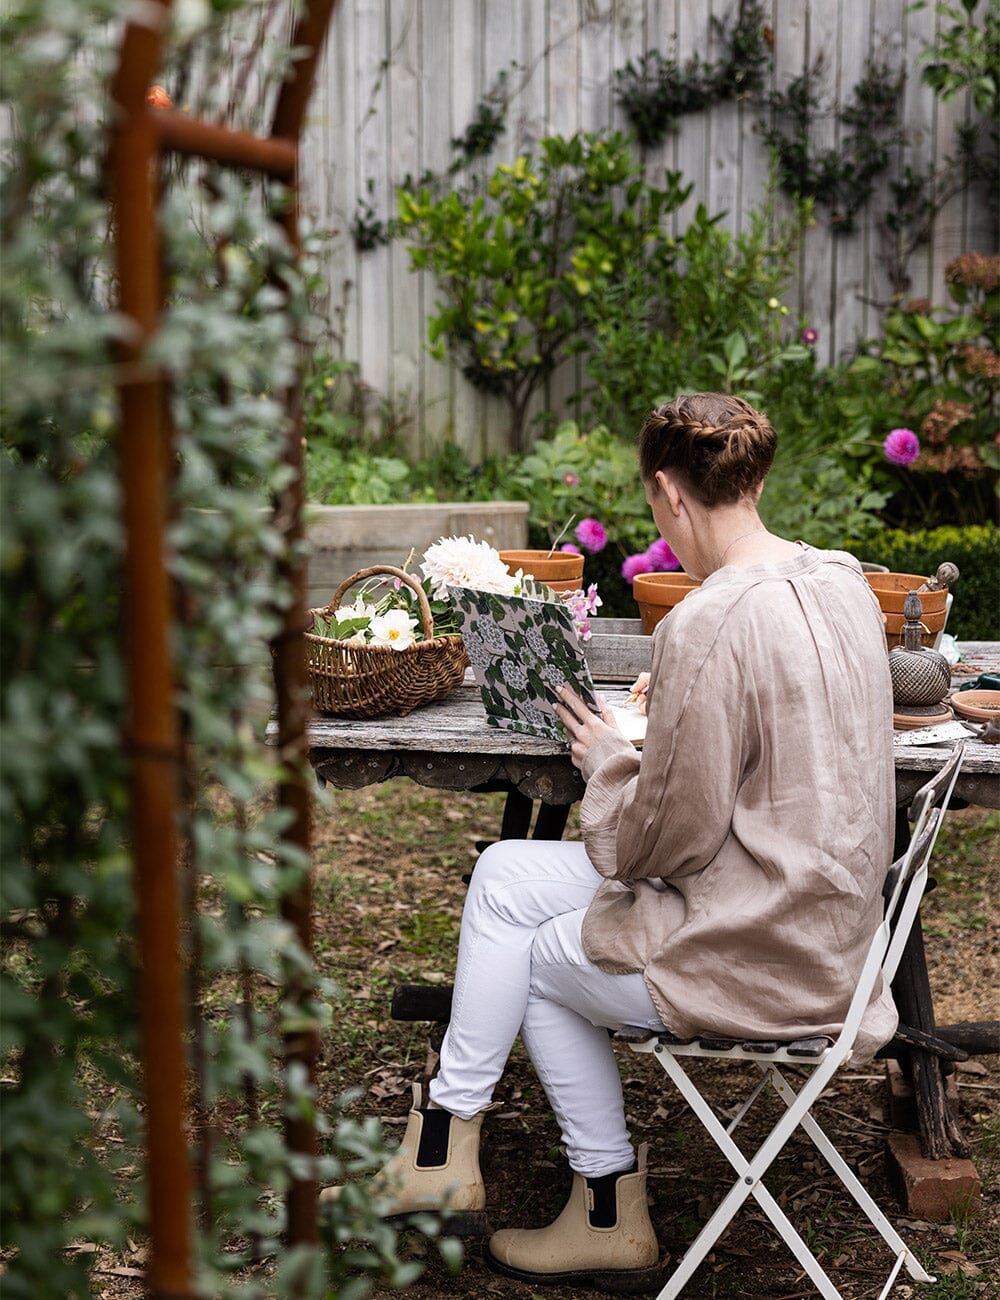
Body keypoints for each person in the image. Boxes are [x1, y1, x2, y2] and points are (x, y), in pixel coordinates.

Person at [323, 392, 897, 1293]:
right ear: (756, 477)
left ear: (669, 494)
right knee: (506, 876)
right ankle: (443, 1143)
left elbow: (662, 843)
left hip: (765, 947)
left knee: (545, 958)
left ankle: (604, 1209)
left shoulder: (710, 619)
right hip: (830, 922)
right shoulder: (842, 580)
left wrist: (609, 762)